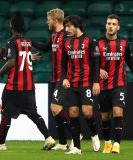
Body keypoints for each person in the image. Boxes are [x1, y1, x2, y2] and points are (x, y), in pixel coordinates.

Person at [0, 12, 55, 150]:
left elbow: (12, 61)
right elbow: (23, 58)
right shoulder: (27, 41)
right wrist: (30, 57)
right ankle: (49, 138)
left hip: (14, 85)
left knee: (6, 114)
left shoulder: (11, 41)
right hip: (29, 86)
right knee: (33, 113)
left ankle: (1, 144)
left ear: (11, 26)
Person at [31, 8, 72, 151]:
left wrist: (68, 77)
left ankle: (75, 132)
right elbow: (44, 47)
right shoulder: (54, 36)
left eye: (48, 19)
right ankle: (62, 143)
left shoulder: (67, 36)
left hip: (63, 78)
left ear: (55, 20)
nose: (47, 22)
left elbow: (72, 58)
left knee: (55, 108)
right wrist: (28, 42)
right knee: (55, 111)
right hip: (54, 78)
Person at [62, 15, 100, 154]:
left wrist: (96, 82)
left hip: (86, 83)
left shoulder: (90, 41)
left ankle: (94, 134)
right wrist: (64, 78)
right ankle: (77, 147)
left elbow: (96, 64)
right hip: (72, 83)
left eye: (68, 26)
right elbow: (63, 63)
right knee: (73, 113)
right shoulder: (66, 42)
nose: (66, 30)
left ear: (76, 25)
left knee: (87, 112)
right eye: (65, 27)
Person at [97, 14, 133, 154]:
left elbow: (130, 62)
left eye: (113, 24)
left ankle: (117, 144)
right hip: (103, 85)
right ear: (106, 25)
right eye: (109, 23)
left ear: (118, 27)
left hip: (119, 84)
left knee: (118, 112)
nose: (111, 26)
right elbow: (91, 63)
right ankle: (107, 143)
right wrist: (98, 69)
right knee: (105, 117)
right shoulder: (98, 43)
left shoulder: (125, 44)